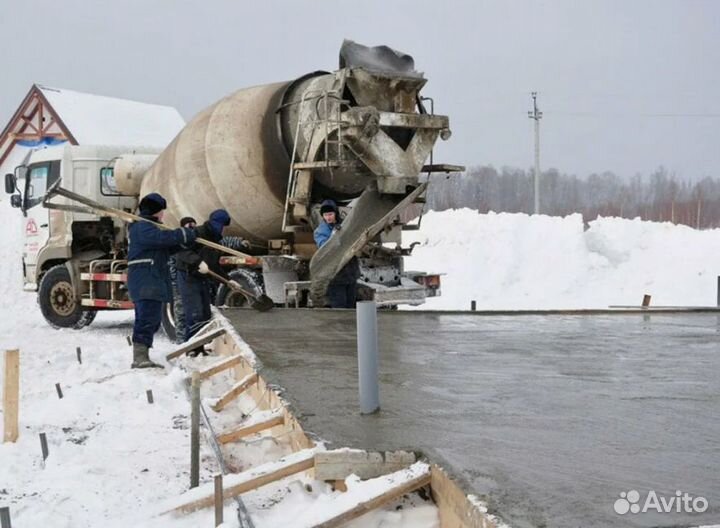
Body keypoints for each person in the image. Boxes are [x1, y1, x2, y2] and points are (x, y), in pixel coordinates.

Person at [127, 193, 196, 368]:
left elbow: (166, 246)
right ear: (156, 211)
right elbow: (163, 239)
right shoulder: (143, 227)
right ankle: (139, 357)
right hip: (146, 280)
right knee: (147, 318)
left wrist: (186, 239)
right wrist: (182, 233)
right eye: (162, 211)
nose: (163, 215)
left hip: (150, 279)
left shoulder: (149, 228)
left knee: (151, 318)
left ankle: (142, 355)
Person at [175, 209, 240, 352]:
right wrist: (197, 262)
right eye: (220, 224)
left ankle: (200, 347)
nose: (221, 228)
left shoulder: (215, 239)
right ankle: (192, 349)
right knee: (194, 312)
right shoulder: (197, 233)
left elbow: (214, 266)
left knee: (205, 313)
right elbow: (182, 251)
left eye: (223, 226)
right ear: (213, 222)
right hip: (188, 276)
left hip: (202, 278)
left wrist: (228, 281)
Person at [313, 199, 361, 308]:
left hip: (351, 274)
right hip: (335, 276)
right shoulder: (320, 231)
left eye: (330, 214)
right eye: (325, 215)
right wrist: (334, 236)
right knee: (339, 307)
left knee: (351, 306)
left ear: (335, 213)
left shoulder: (345, 224)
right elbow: (324, 248)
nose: (328, 217)